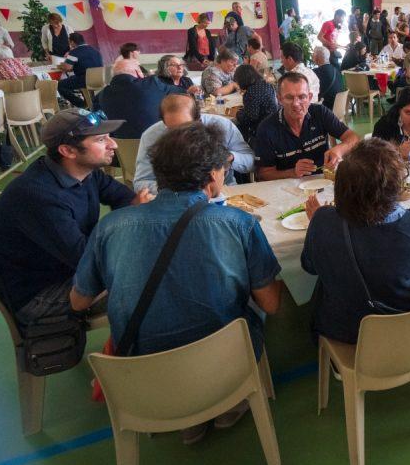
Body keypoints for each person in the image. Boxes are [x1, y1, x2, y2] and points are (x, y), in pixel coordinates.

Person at [71, 122, 280, 445]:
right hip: (222, 364)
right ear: (212, 175)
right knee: (251, 300)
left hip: (140, 375)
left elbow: (79, 302)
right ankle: (229, 401)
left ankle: (188, 419)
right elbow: (271, 304)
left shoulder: (111, 226)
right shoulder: (238, 223)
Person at [0, 109, 149, 325]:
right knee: (151, 280)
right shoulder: (37, 196)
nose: (113, 145)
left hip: (67, 268)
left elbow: (126, 199)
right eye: (101, 139)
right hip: (37, 295)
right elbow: (87, 260)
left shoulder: (87, 172)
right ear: (68, 150)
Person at [301, 138, 410, 344]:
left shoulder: (323, 220)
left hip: (344, 331)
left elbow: (309, 266)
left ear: (342, 187)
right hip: (405, 326)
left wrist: (318, 224)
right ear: (396, 186)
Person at [134, 94, 254, 193]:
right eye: (172, 130)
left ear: (198, 119)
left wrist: (230, 158)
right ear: (164, 122)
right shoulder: (151, 135)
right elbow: (141, 182)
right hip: (174, 198)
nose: (180, 136)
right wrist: (174, 189)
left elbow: (251, 163)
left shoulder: (223, 125)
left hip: (224, 192)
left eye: (186, 128)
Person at [253, 71, 359, 180]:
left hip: (322, 180)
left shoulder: (320, 113)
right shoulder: (266, 128)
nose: (296, 103)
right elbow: (263, 174)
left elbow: (353, 138)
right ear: (279, 99)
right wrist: (292, 172)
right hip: (287, 186)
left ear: (309, 97)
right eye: (289, 97)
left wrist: (339, 150)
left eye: (302, 97)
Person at [97, 70, 179, 140]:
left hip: (121, 152)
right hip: (156, 150)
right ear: (139, 73)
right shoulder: (151, 85)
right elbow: (181, 92)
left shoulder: (102, 94)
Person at [234, 63, 278, 140]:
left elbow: (250, 118)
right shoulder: (266, 84)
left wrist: (237, 113)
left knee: (235, 126)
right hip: (274, 123)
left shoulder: (251, 92)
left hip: (262, 130)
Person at [58, 33, 103, 108]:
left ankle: (82, 104)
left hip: (85, 79)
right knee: (74, 79)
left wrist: (62, 64)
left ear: (72, 42)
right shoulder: (94, 50)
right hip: (100, 78)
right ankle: (87, 103)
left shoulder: (74, 52)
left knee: (60, 85)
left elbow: (67, 68)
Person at [311, 45, 342, 111]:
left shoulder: (314, 73)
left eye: (313, 54)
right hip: (339, 108)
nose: (312, 55)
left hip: (325, 110)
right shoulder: (336, 69)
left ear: (317, 57)